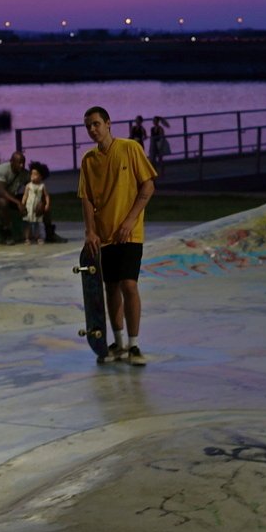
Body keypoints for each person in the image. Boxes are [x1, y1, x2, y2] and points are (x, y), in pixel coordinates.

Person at [78, 106, 157, 365]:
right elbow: (87, 198)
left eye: (96, 124)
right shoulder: (88, 160)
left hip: (129, 233)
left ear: (108, 123)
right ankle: (119, 343)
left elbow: (148, 186)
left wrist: (130, 220)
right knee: (110, 288)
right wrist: (90, 231)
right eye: (88, 126)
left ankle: (134, 345)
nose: (92, 129)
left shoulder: (130, 148)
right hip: (104, 235)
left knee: (129, 285)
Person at [0, 148, 28, 244]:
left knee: (39, 199)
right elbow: (1, 191)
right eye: (19, 163)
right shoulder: (3, 169)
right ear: (12, 162)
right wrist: (18, 202)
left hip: (12, 196)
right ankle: (6, 231)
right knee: (3, 202)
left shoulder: (24, 173)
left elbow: (32, 184)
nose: (21, 165)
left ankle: (47, 230)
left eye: (23, 163)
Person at [21, 165, 51, 245]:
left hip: (37, 207)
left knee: (38, 223)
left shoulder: (42, 186)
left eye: (35, 174)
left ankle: (38, 237)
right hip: (29, 206)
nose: (33, 176)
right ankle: (27, 238)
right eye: (32, 174)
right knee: (28, 223)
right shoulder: (28, 185)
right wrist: (23, 203)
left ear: (41, 176)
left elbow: (46, 196)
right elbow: (25, 195)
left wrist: (47, 204)